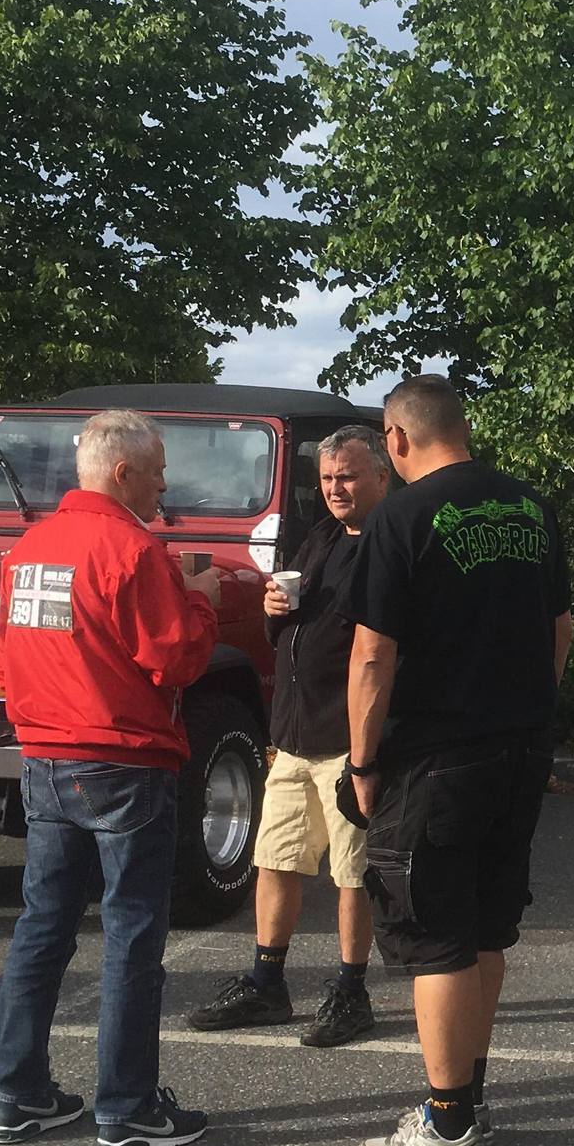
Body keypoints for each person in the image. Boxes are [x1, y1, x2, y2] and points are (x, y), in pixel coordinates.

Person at [344, 375, 572, 1146]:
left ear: (396, 438)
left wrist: (362, 761)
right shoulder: (532, 507)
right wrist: (531, 709)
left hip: (436, 756)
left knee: (435, 935)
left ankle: (447, 1124)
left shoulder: (400, 515)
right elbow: (561, 627)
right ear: (462, 426)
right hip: (520, 749)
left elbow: (372, 654)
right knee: (484, 927)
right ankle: (468, 1097)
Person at [0, 409, 223, 1146]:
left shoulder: (28, 549)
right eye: (157, 472)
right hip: (123, 759)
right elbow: (178, 659)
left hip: (44, 758)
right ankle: (127, 1109)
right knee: (131, 935)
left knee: (42, 927)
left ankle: (21, 1095)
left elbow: (7, 660)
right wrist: (202, 598)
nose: (163, 486)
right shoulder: (134, 550)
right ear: (123, 473)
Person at [185, 425, 393, 1046]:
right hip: (295, 734)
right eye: (326, 478)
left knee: (352, 872)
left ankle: (352, 991)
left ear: (382, 476)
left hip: (351, 740)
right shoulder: (322, 536)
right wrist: (276, 611)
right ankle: (266, 982)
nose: (335, 488)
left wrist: (370, 753)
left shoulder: (392, 543)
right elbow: (297, 625)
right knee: (274, 858)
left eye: (347, 476)